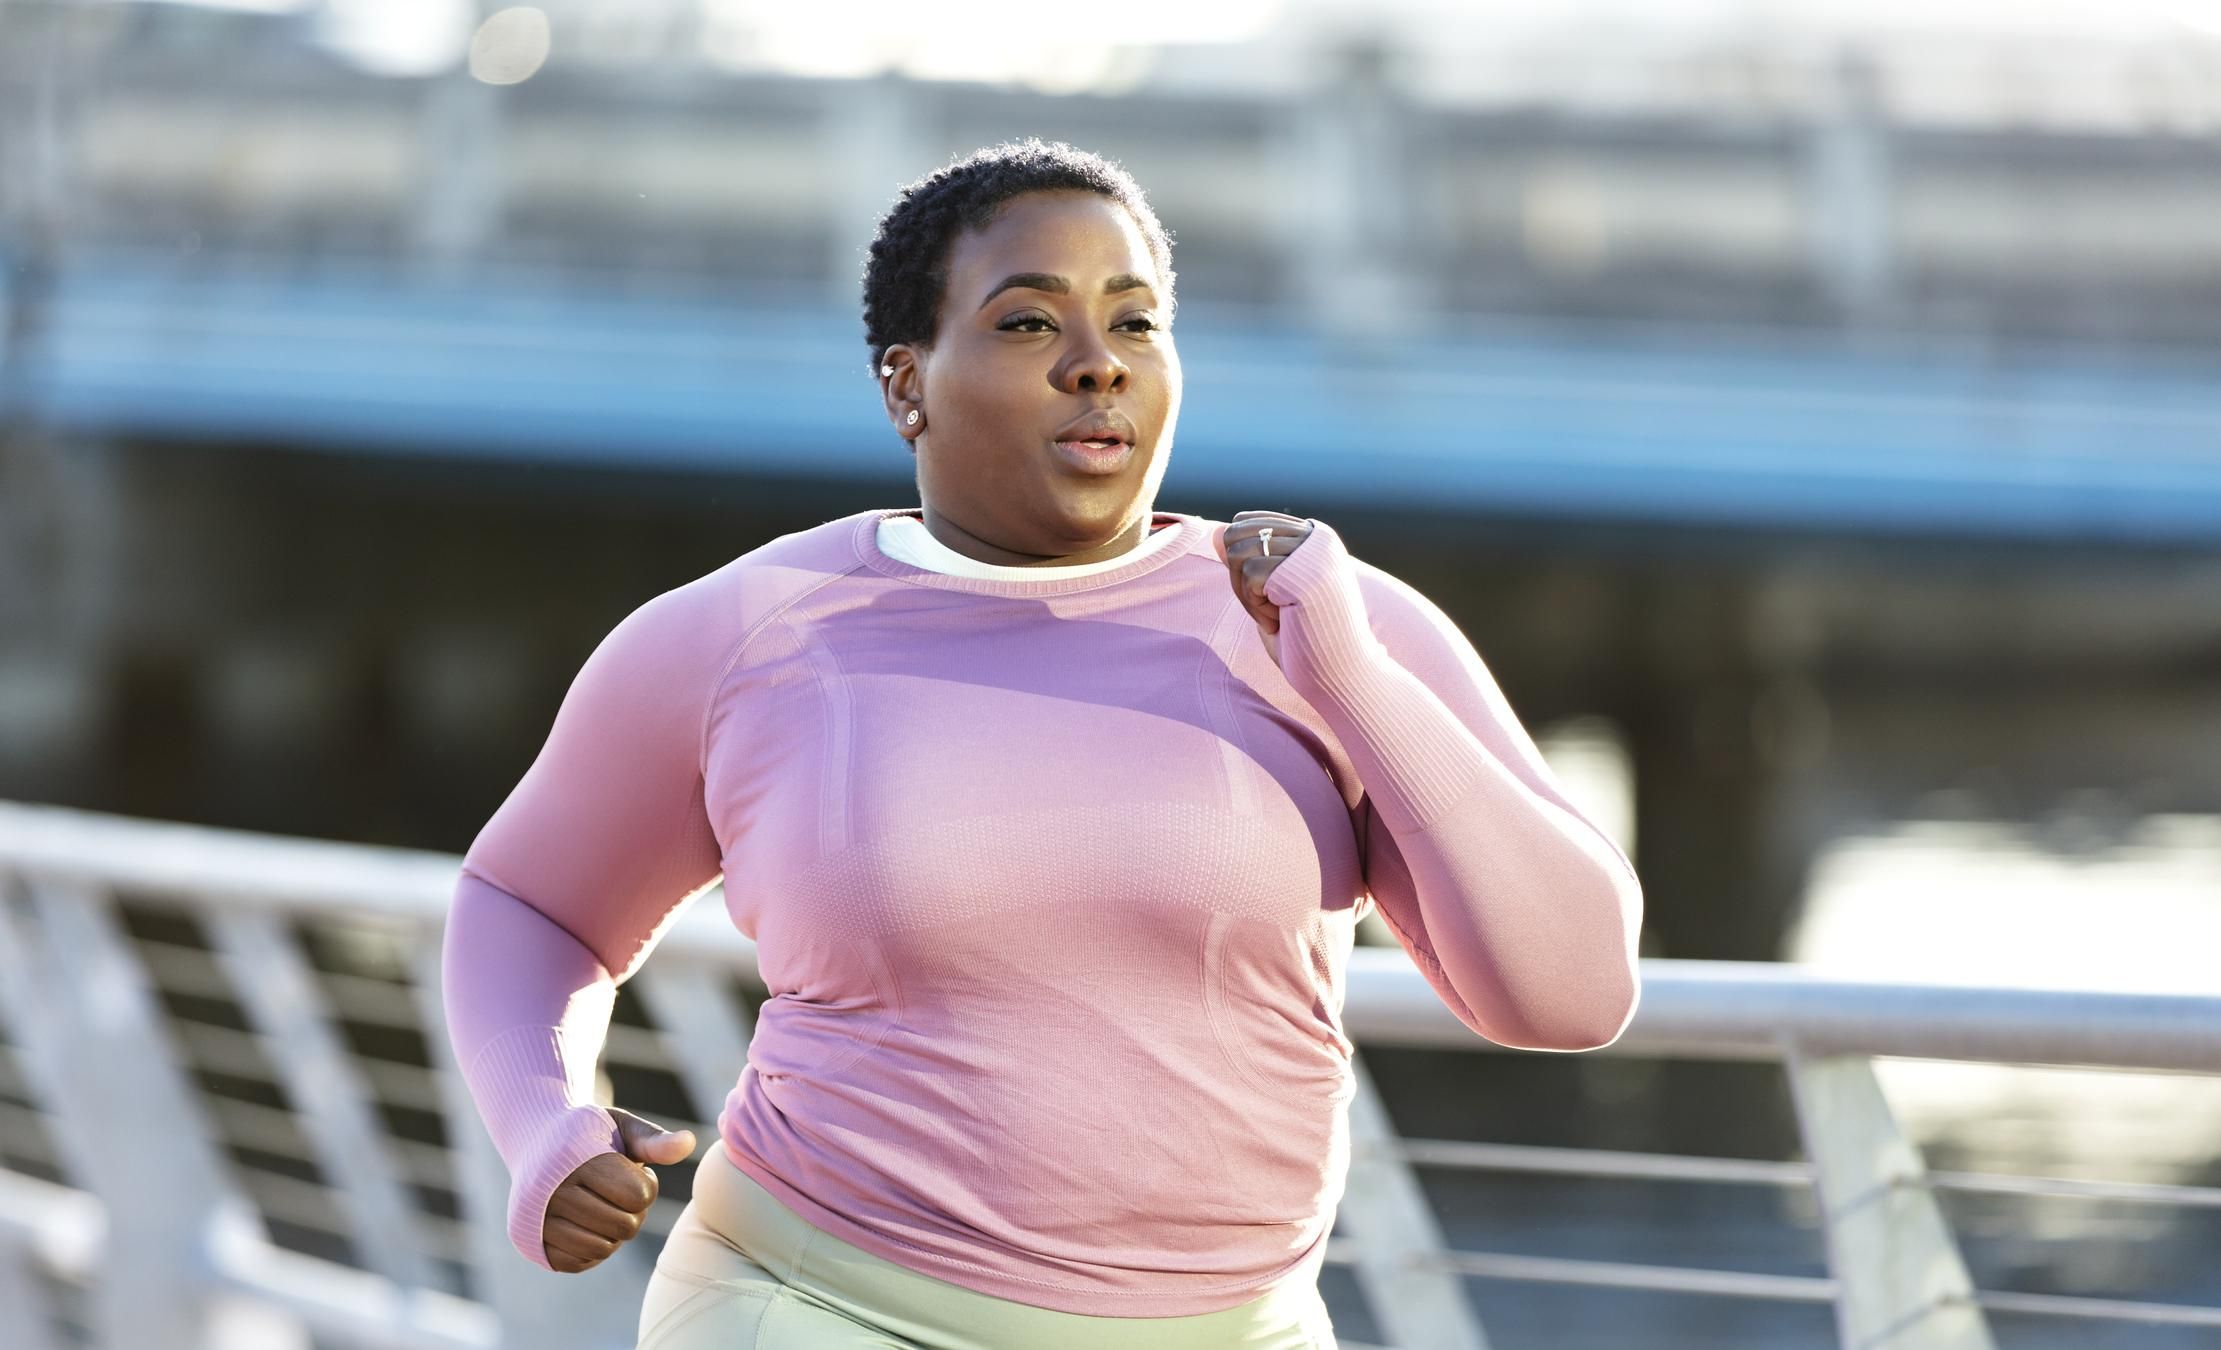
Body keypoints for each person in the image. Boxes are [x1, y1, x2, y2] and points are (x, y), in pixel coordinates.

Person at [440, 137, 1644, 1350]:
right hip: (818, 1306)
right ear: (907, 383)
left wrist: (1353, 684)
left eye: (1136, 324)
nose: (1094, 367)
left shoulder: (1339, 622)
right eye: (1027, 325)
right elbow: (527, 901)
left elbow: (1572, 995)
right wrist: (549, 1120)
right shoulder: (742, 635)